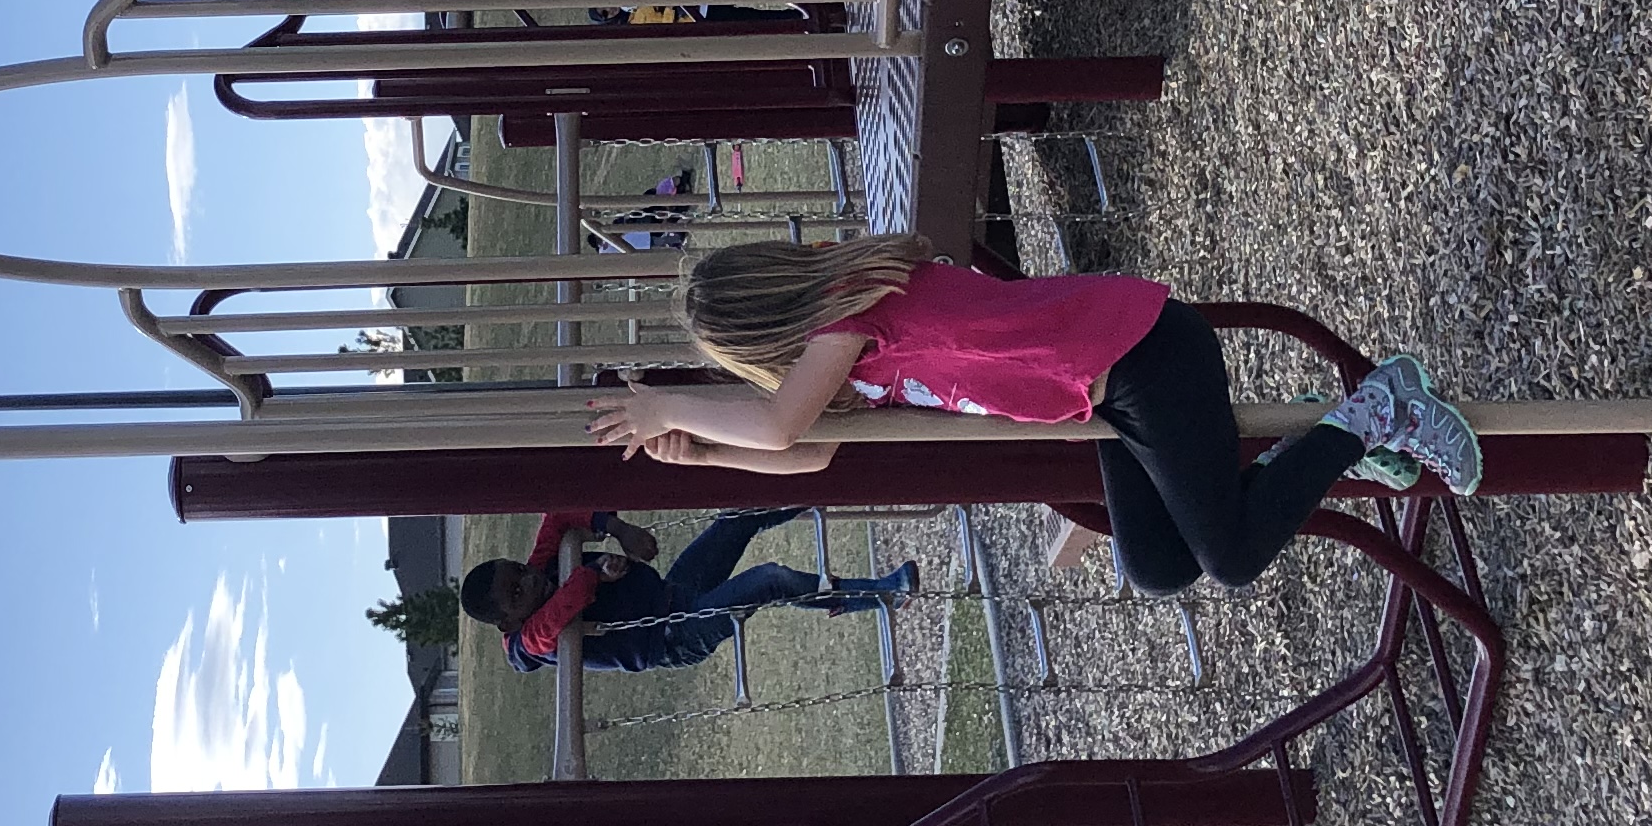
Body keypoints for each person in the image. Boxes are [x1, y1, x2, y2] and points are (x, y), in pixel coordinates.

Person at [584, 235, 1483, 600]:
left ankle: (1375, 408)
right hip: (1102, 405)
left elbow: (781, 425)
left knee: (1234, 554)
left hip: (1142, 356)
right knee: (1162, 566)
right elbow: (808, 459)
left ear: (766, 328)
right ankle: (1327, 445)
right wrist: (698, 451)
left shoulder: (852, 306)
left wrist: (667, 402)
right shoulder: (850, 351)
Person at [462, 506, 916, 676]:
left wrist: (616, 528)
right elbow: (565, 607)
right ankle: (879, 594)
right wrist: (594, 572)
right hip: (675, 635)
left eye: (519, 570)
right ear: (508, 620)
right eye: (517, 593)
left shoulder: (538, 572)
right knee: (770, 580)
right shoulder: (528, 643)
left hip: (675, 590)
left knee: (741, 516)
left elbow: (558, 515)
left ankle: (835, 480)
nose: (530, 579)